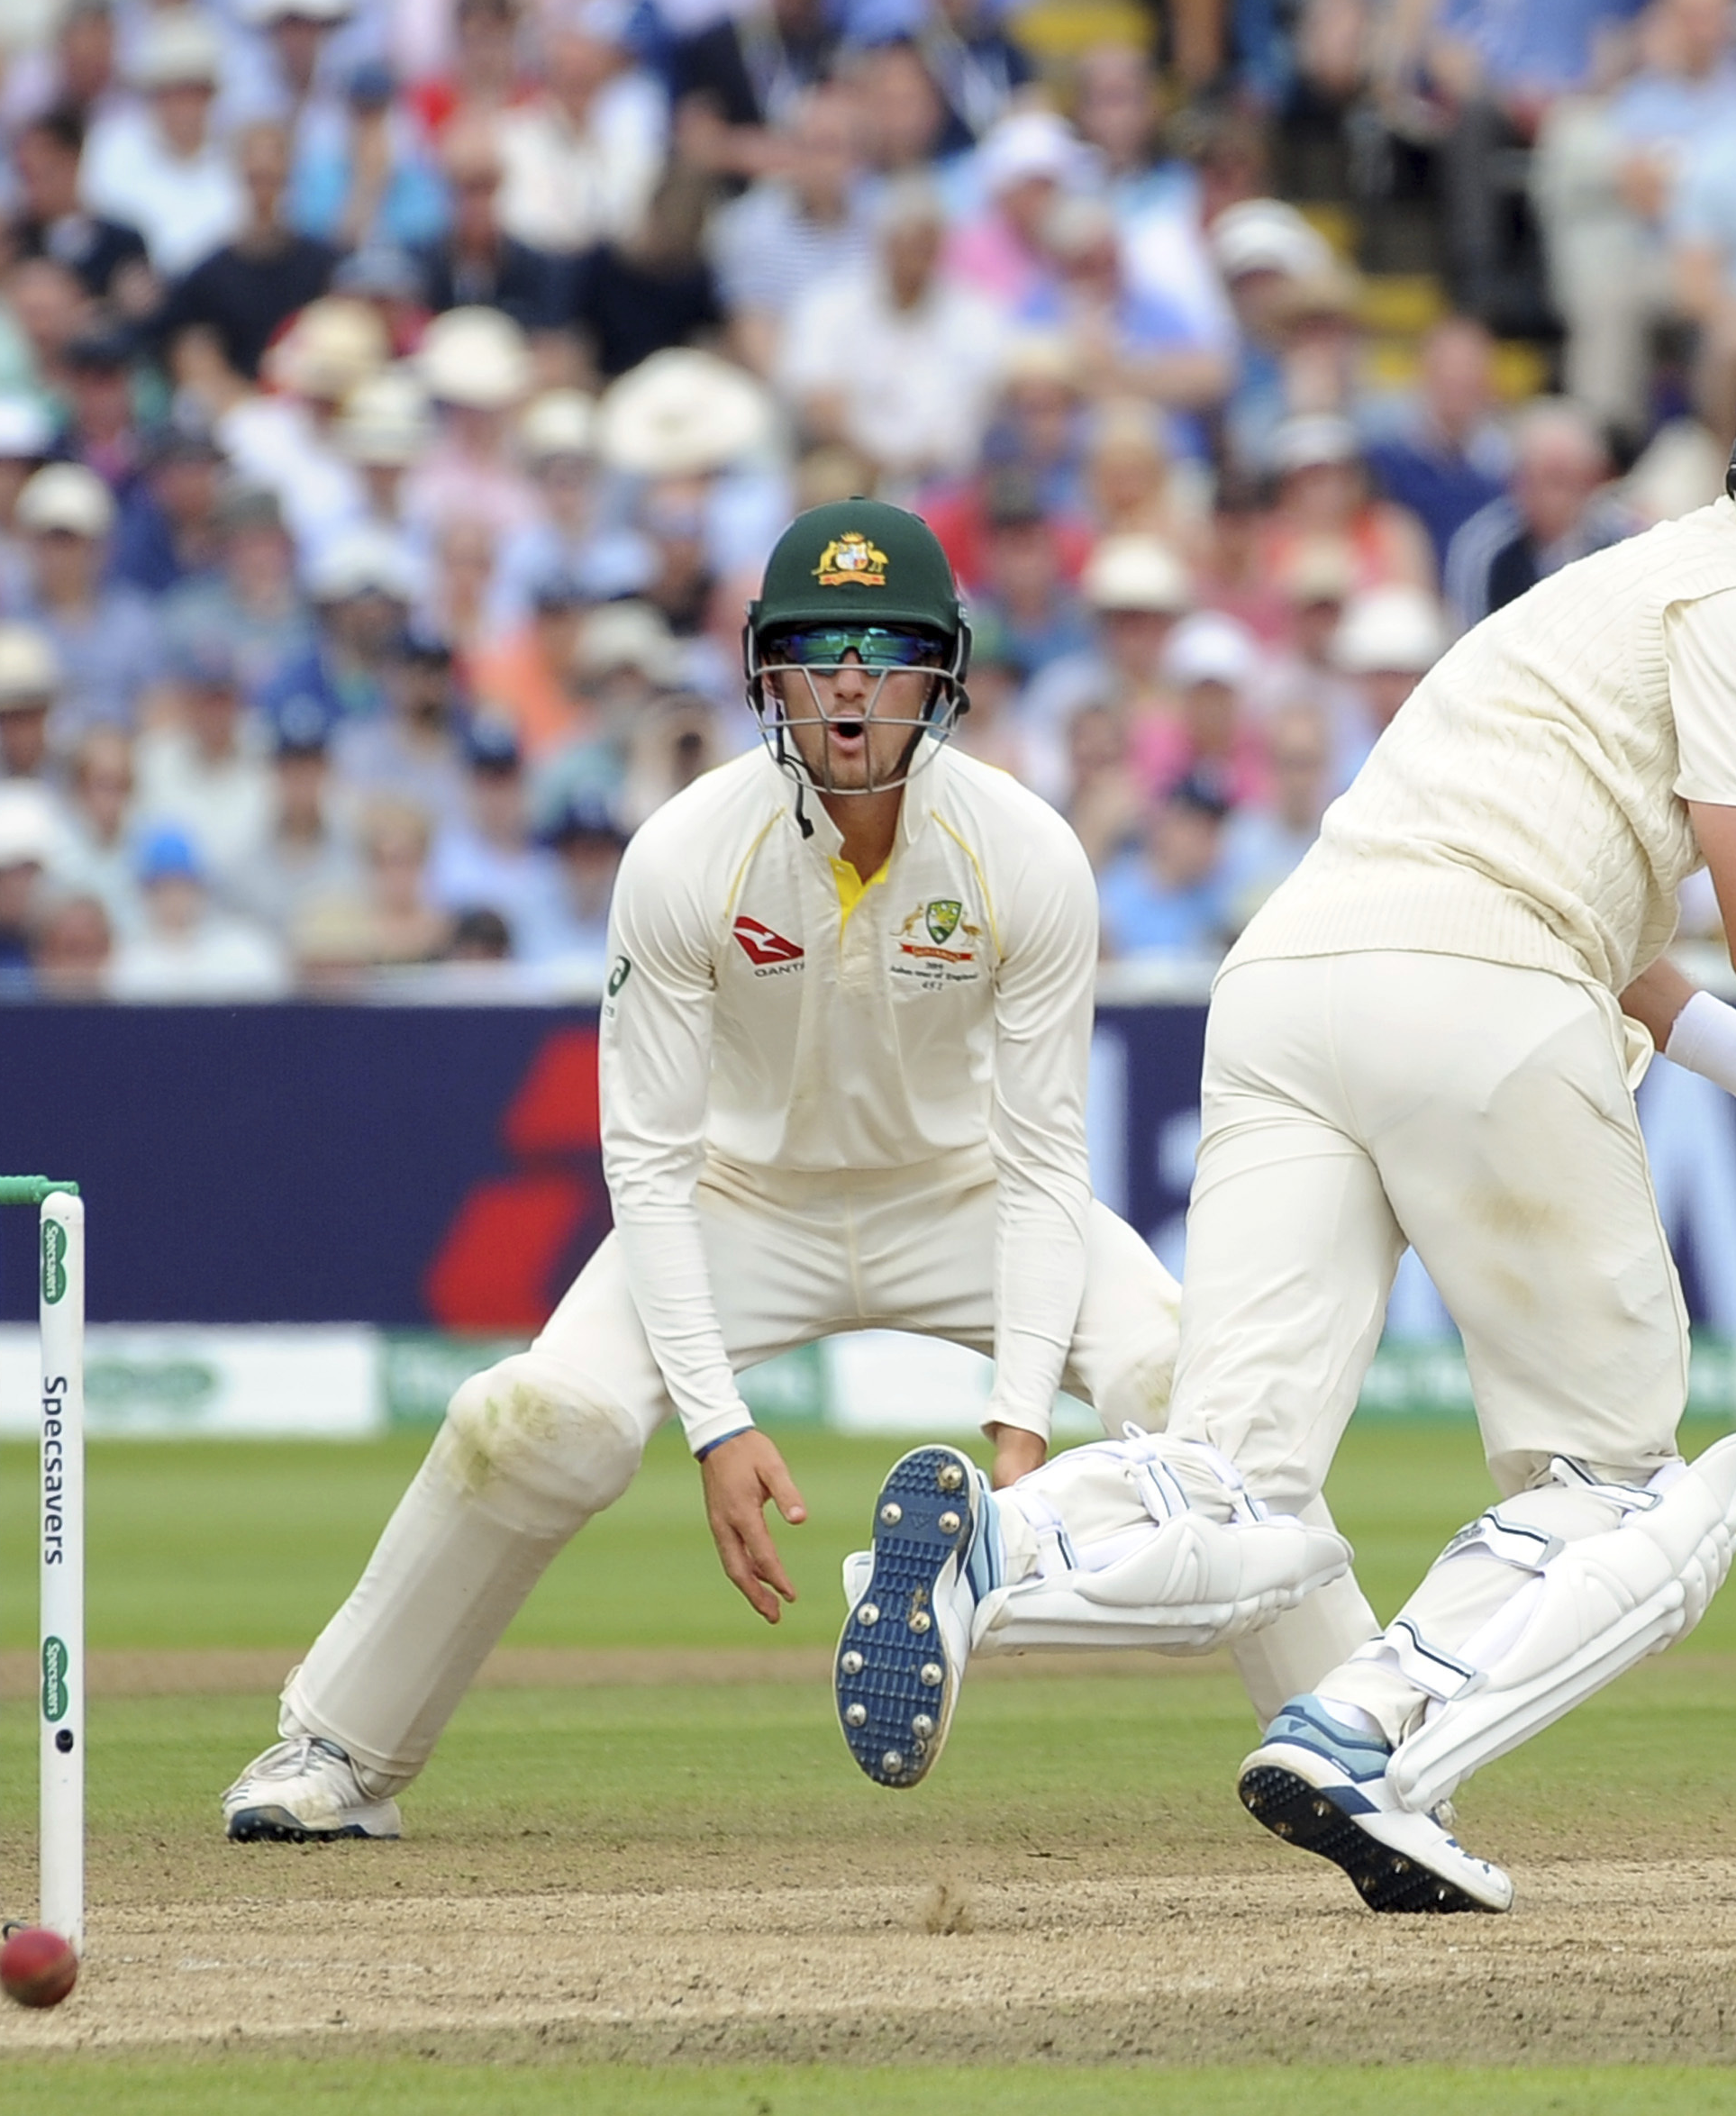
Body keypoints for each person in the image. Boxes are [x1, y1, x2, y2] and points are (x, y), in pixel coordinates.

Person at [845, 314, 1736, 1913]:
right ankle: (1365, 1738)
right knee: (1622, 1494)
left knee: (1240, 1473)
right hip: (1477, 994)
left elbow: (1629, 942)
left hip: (1292, 984)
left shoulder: (1615, 586)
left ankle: (987, 1552)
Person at [218, 496, 1341, 1841]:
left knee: (1194, 1387)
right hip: (737, 1203)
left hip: (967, 1195)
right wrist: (715, 1424)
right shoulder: (689, 853)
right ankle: (335, 1753)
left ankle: (1361, 1741)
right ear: (767, 670)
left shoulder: (1027, 854)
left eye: (886, 646)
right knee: (532, 1427)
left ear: (943, 673)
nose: (851, 679)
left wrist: (1023, 1425)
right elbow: (644, 1162)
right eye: (820, 646)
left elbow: (1046, 1159)